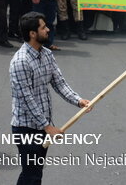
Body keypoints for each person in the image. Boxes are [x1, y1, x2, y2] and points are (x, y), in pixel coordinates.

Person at [10, 11, 91, 184]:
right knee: (31, 174)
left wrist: (78, 100)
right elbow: (27, 100)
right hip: (26, 129)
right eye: (43, 27)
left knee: (34, 173)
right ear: (32, 34)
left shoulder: (46, 54)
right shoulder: (20, 62)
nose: (48, 29)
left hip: (42, 127)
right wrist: (46, 127)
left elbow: (59, 83)